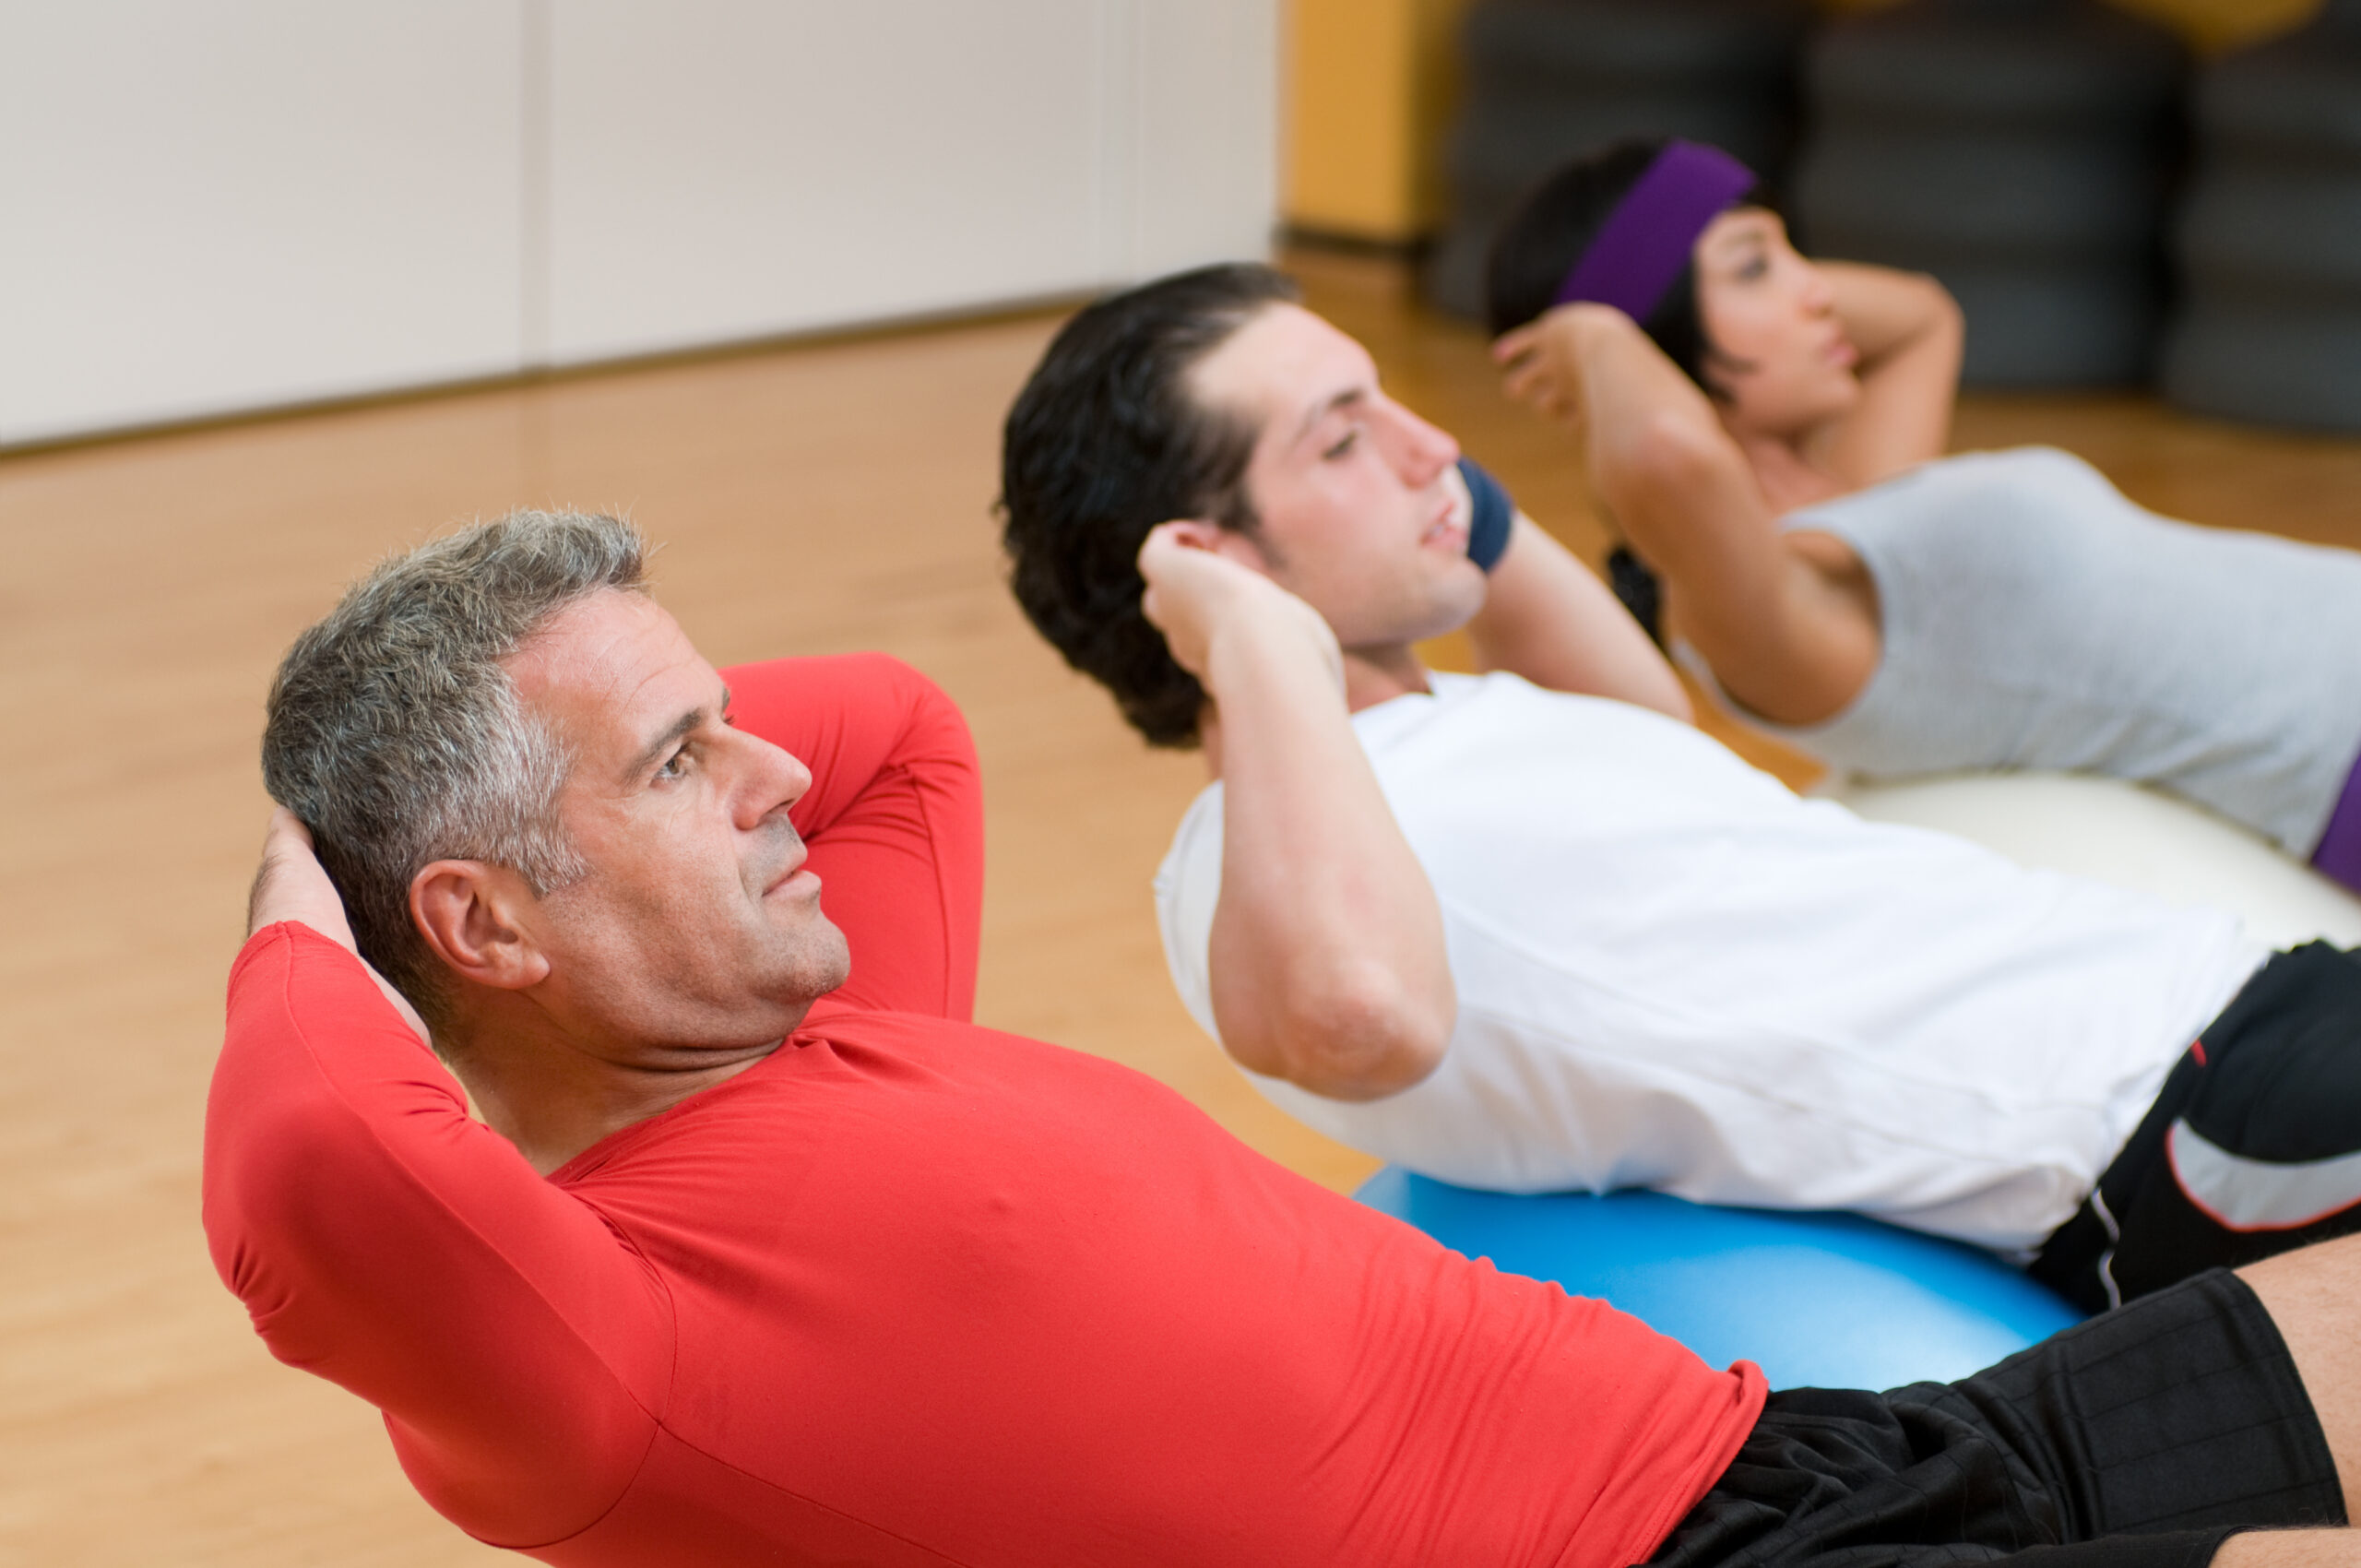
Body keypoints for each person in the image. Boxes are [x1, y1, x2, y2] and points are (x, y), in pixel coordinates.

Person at [208, 508, 2361, 1568]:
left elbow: (896, 726)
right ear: (481, 919)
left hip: (1795, 1451)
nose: (774, 771)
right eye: (684, 758)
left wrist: (575, 777)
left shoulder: (817, 1028)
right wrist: (311, 876)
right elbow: (322, 1151)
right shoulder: (609, 1356)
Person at [996, 263, 2361, 1313]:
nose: (1430, 448)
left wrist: (1390, 478)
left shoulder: (1456, 724)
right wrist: (1249, 640)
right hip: (2176, 1130)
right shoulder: (1257, 867)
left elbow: (1645, 718)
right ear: (1209, 562)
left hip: (2259, 1006)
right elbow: (1357, 1020)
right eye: (1343, 441)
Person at [1484, 137, 2361, 889]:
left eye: (1795, 252)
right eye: (1756, 267)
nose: (1815, 291)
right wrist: (1599, 330)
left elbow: (1919, 317)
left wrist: (1709, 264)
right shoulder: (1767, 613)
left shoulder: (1860, 492)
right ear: (1655, 341)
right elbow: (1666, 457)